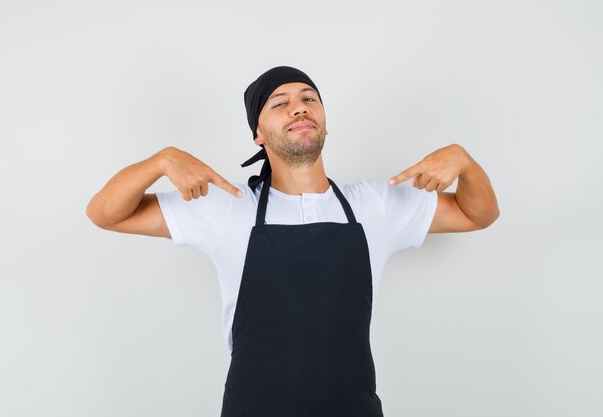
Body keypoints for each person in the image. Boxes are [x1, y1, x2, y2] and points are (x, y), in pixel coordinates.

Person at [86, 66, 499, 416]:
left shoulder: (374, 205)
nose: (299, 106)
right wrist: (162, 160)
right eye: (279, 103)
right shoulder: (227, 207)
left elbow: (476, 213)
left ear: (324, 121)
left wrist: (464, 161)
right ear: (258, 135)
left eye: (309, 98)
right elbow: (105, 212)